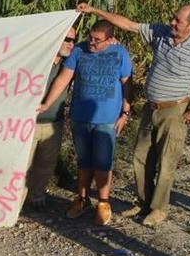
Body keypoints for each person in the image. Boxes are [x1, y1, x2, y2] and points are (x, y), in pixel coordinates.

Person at [77, 2, 190, 226]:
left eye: (178, 21)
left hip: (175, 111)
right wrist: (95, 10)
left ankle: (158, 209)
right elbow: (127, 24)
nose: (172, 22)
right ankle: (142, 202)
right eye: (173, 17)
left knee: (166, 162)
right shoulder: (160, 34)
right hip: (151, 108)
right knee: (140, 157)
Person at [38, 21, 132, 225]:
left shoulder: (120, 53)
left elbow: (126, 82)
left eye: (97, 40)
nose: (92, 42)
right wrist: (46, 103)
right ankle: (81, 198)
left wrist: (125, 112)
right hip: (80, 117)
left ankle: (104, 202)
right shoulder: (79, 50)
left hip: (107, 118)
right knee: (84, 160)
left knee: (103, 162)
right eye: (90, 37)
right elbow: (64, 78)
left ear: (109, 39)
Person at [23, 25, 77, 209]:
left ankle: (36, 196)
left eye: (74, 40)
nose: (71, 44)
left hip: (54, 122)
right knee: (23, 164)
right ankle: (16, 201)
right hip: (29, 122)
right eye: (67, 39)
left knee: (46, 163)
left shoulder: (70, 65)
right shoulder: (37, 61)